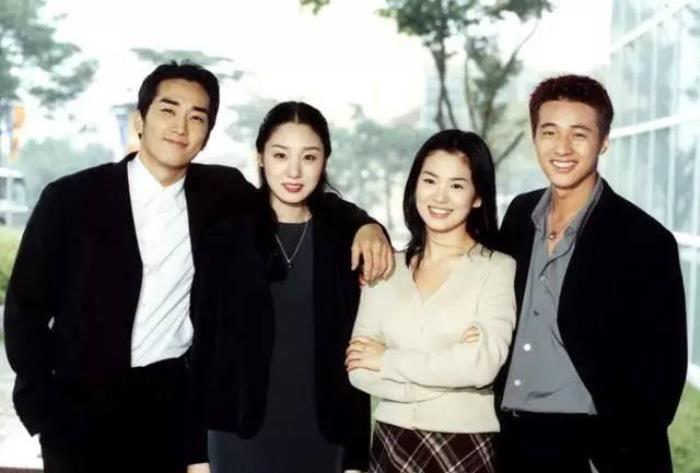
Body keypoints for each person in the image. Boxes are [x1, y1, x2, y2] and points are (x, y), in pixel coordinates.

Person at [3, 63, 391, 473]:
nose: (181, 127)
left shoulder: (220, 192)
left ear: (207, 135)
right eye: (168, 110)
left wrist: (364, 224)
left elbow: (298, 194)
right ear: (140, 120)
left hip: (169, 406)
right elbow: (25, 310)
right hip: (80, 410)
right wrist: (44, 410)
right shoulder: (72, 198)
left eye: (197, 117)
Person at [496, 74, 687, 473]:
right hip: (512, 441)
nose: (562, 148)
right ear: (535, 137)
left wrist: (613, 450)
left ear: (603, 141)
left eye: (579, 134)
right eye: (550, 132)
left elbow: (663, 377)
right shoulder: (519, 215)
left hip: (592, 448)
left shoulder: (645, 240)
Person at [192, 101, 388, 473]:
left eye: (309, 157)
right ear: (260, 157)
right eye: (280, 155)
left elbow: (354, 351)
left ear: (324, 160)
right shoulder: (225, 234)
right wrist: (196, 455)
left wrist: (356, 459)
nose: (294, 171)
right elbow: (203, 349)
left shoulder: (343, 239)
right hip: (238, 433)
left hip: (323, 432)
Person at [345, 129, 516, 473]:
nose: (439, 196)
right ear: (415, 186)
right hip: (391, 441)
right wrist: (450, 372)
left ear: (478, 196)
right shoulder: (385, 267)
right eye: (430, 180)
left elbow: (481, 367)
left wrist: (386, 359)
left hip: (464, 443)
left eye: (457, 185)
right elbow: (359, 370)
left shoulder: (496, 269)